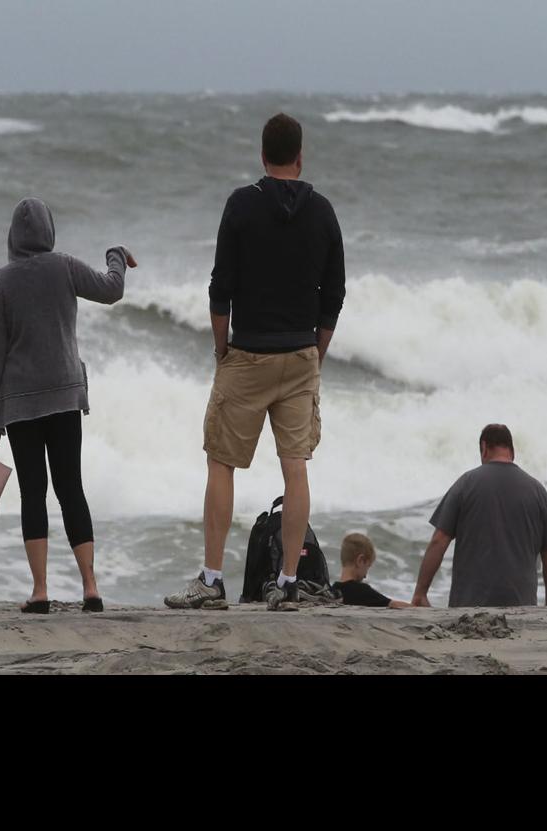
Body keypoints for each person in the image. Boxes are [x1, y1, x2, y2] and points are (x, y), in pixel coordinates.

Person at [165, 112, 346, 610]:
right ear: (301, 156)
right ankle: (288, 581)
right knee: (296, 468)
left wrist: (221, 348)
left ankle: (212, 579)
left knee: (221, 462)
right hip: (300, 354)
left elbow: (220, 287)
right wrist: (317, 352)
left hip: (249, 352)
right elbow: (334, 295)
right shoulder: (324, 212)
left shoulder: (242, 206)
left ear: (262, 156)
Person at [0, 197, 135, 614]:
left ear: (13, 235)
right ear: (48, 232)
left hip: (19, 405)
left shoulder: (3, 280)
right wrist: (116, 256)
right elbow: (112, 289)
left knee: (34, 494)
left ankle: (41, 590)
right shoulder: (64, 266)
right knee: (71, 489)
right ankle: (90, 586)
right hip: (65, 396)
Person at [411, 424, 547, 608]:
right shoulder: (537, 491)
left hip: (468, 609)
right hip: (522, 608)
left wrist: (421, 593)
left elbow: (439, 541)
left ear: (484, 448)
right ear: (512, 451)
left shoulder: (466, 483)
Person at [333, 533, 411, 609]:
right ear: (360, 561)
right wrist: (417, 608)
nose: (365, 576)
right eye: (368, 567)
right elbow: (392, 604)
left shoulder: (333, 590)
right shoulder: (361, 591)